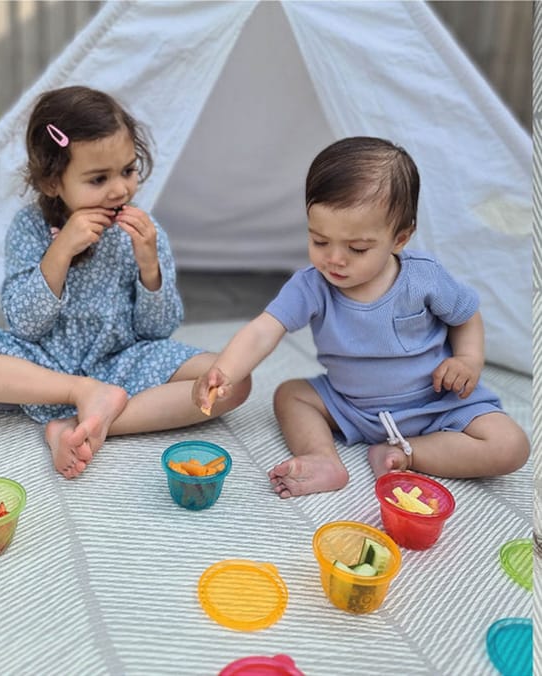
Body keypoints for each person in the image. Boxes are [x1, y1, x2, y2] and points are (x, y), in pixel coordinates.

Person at [0, 86, 250, 479]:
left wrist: (149, 267)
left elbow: (157, 330)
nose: (120, 189)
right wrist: (60, 253)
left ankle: (78, 424)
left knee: (232, 379)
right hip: (40, 364)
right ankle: (80, 394)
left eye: (127, 170)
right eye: (98, 178)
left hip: (121, 361)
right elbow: (25, 325)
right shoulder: (30, 229)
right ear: (53, 182)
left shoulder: (143, 231)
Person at [193, 136, 529, 498]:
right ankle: (322, 457)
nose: (334, 259)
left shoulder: (423, 277)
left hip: (436, 404)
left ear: (399, 238)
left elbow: (466, 316)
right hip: (351, 406)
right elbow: (263, 330)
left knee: (510, 446)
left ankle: (408, 454)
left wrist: (467, 359)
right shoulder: (311, 285)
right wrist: (224, 370)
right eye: (320, 241)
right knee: (291, 395)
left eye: (357, 248)